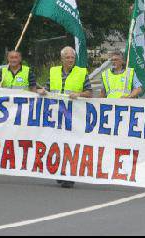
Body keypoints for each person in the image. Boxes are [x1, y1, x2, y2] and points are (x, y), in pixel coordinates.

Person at [38, 46, 91, 188]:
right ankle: (60, 172)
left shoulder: (81, 72)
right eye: (67, 58)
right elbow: (48, 88)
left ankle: (69, 175)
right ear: (62, 59)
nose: (70, 60)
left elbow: (89, 92)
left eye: (72, 58)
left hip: (73, 116)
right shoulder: (54, 71)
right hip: (56, 114)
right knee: (57, 144)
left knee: (70, 145)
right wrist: (43, 90)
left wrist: (79, 94)